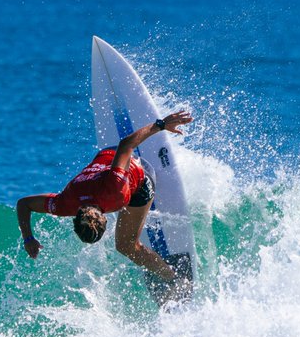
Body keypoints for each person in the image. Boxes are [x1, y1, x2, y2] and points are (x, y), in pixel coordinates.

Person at [16, 110, 193, 282]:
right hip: (109, 152)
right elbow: (24, 204)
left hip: (141, 174)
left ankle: (173, 277)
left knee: (126, 246)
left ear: (106, 220)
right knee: (123, 236)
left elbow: (127, 145)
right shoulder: (63, 203)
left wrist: (162, 124)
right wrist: (28, 238)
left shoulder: (114, 191)